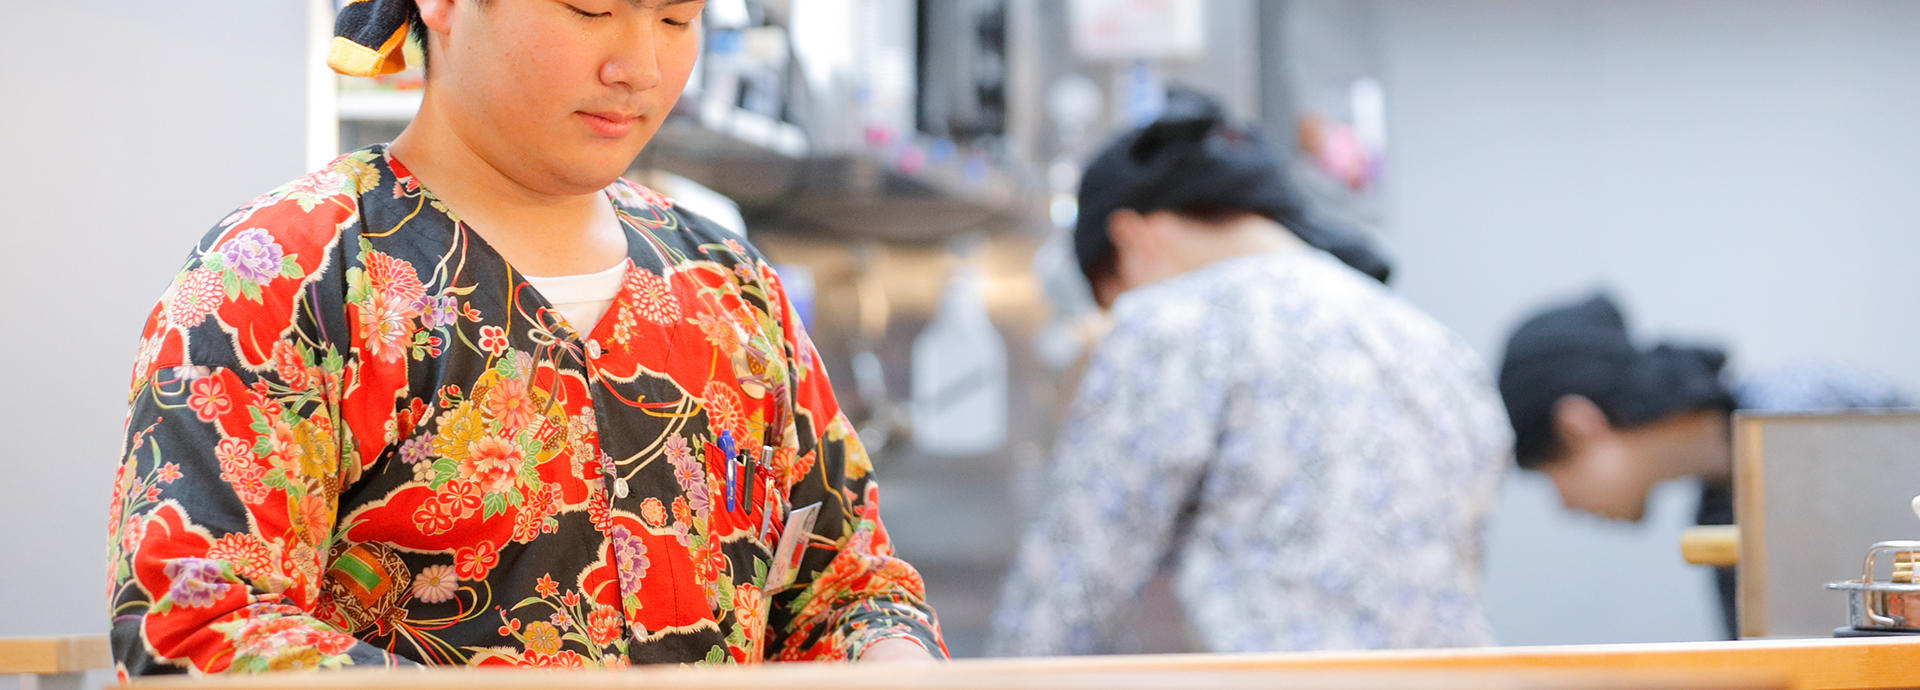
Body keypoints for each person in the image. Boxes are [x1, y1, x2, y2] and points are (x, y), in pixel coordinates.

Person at [106, 0, 941, 674]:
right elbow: (197, 628)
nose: (639, 66)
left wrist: (893, 658)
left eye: (676, 18)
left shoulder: (733, 287)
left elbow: (846, 590)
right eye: (590, 12)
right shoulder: (286, 276)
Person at [988, 93, 1511, 655]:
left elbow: (1072, 586)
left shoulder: (1170, 326)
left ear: (1132, 239)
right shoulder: (1440, 349)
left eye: (1111, 299)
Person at [1497, 292, 1911, 636]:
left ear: (1579, 426)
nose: (1565, 503)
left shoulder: (1798, 415)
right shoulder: (1716, 505)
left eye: (1551, 473)